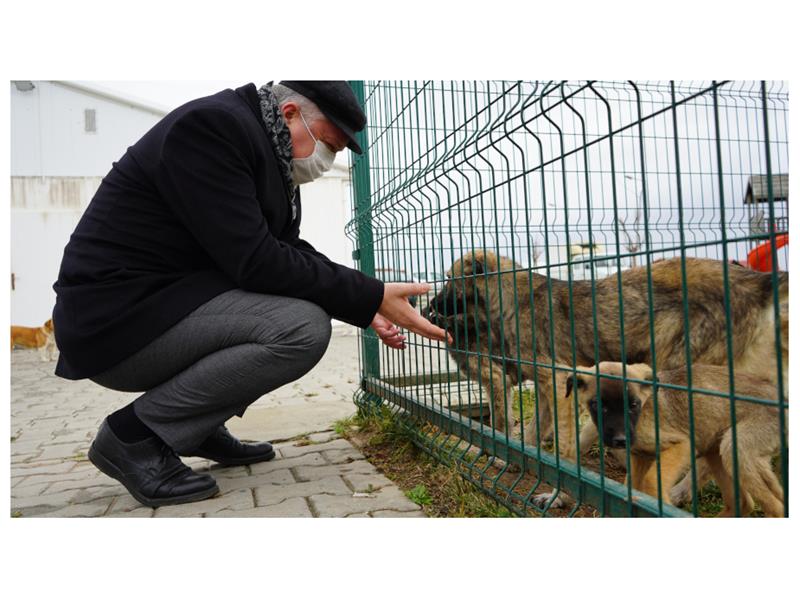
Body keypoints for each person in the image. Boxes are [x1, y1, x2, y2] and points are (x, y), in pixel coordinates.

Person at [52, 81, 448, 508]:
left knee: (295, 312)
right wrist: (366, 296)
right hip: (116, 323)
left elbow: (285, 250)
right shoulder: (211, 129)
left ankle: (194, 427)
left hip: (159, 307)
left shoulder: (264, 151)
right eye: (327, 144)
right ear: (290, 113)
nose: (326, 161)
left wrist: (366, 304)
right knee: (298, 327)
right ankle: (135, 436)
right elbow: (257, 261)